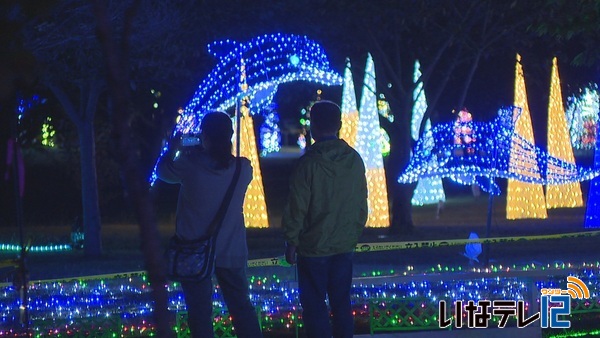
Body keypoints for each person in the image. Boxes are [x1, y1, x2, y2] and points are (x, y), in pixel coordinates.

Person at [156, 111, 263, 338]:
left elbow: (162, 172)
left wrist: (174, 148)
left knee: (200, 313)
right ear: (231, 135)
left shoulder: (189, 164)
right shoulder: (243, 168)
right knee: (242, 308)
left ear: (203, 135)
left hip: (194, 252)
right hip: (232, 251)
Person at [282, 100, 368, 338]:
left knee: (314, 306)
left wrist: (291, 240)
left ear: (312, 127)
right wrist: (353, 233)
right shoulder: (353, 159)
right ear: (339, 125)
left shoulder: (308, 163)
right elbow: (361, 203)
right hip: (343, 245)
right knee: (341, 304)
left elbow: (297, 207)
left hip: (313, 248)